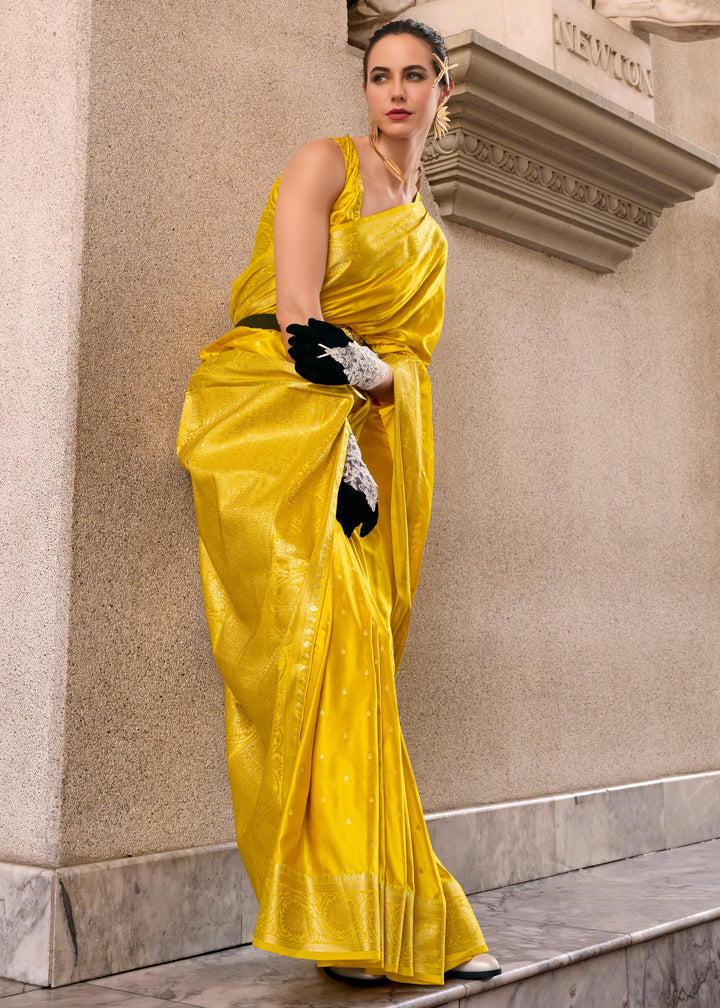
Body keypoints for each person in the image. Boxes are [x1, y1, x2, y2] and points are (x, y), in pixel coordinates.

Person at [176, 19, 501, 988]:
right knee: (329, 644)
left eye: (415, 77)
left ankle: (368, 920)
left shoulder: (430, 243)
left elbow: (409, 372)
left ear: (443, 94)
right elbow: (299, 320)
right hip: (268, 407)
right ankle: (381, 920)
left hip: (359, 432)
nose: (395, 91)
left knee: (355, 665)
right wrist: (338, 438)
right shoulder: (325, 164)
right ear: (366, 89)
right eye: (379, 74)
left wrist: (366, 434)